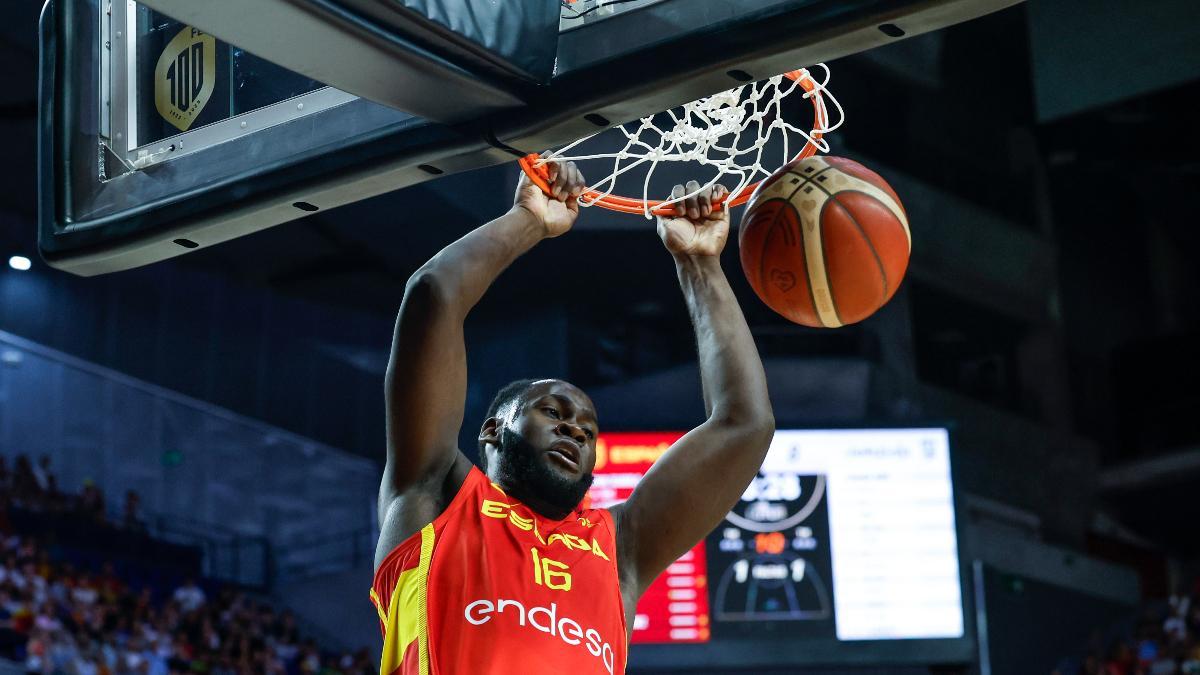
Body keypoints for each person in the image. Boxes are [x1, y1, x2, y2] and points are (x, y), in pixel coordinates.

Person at [370, 161, 774, 675]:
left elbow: (746, 425)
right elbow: (434, 293)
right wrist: (528, 219)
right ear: (493, 429)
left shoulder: (619, 550)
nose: (574, 430)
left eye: (588, 430)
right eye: (553, 412)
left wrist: (700, 265)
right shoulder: (434, 497)